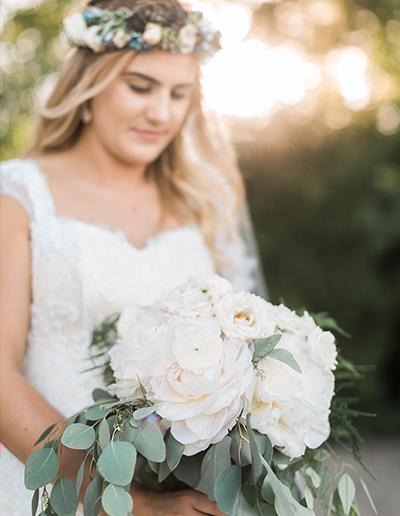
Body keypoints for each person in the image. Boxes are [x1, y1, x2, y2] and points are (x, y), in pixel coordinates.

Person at [0, 1, 265, 514]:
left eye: (179, 93)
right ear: (88, 84)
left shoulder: (200, 206)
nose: (161, 112)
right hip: (47, 484)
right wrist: (131, 502)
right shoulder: (19, 196)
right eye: (141, 87)